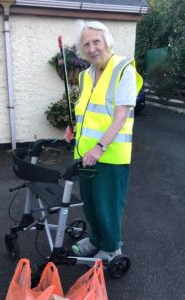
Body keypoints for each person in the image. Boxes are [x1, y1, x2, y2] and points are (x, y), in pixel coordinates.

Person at [65, 20, 143, 261]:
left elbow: (120, 117)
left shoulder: (123, 69)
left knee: (107, 207)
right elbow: (87, 110)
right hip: (86, 154)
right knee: (90, 204)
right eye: (86, 44)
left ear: (106, 41)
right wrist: (73, 128)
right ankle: (96, 240)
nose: (91, 48)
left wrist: (99, 148)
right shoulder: (86, 75)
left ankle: (111, 249)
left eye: (96, 41)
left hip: (109, 155)